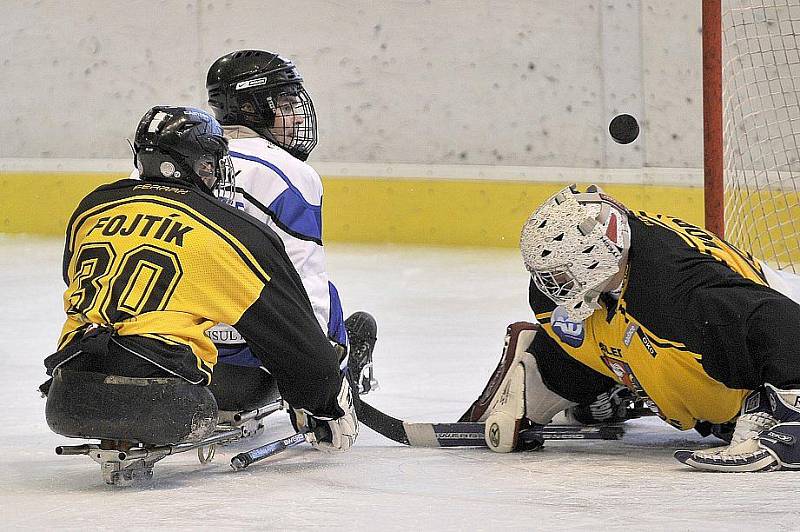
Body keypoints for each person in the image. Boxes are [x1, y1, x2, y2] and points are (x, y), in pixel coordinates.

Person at [42, 106, 357, 453]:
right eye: (209, 163)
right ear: (196, 165)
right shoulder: (226, 232)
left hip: (68, 393)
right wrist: (324, 402)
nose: (214, 172)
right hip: (164, 402)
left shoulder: (92, 208)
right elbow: (289, 335)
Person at [466, 184, 800, 472]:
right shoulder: (603, 277)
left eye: (561, 274)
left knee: (719, 327)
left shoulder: (677, 284)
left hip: (777, 350)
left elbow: (775, 318)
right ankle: (557, 374)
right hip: (721, 369)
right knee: (598, 327)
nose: (550, 286)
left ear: (595, 256)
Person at [204, 49, 377, 397]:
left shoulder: (158, 164)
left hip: (168, 357)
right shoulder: (291, 174)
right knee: (325, 294)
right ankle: (343, 379)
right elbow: (305, 282)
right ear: (250, 108)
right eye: (283, 105)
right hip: (243, 374)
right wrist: (320, 383)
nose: (296, 117)